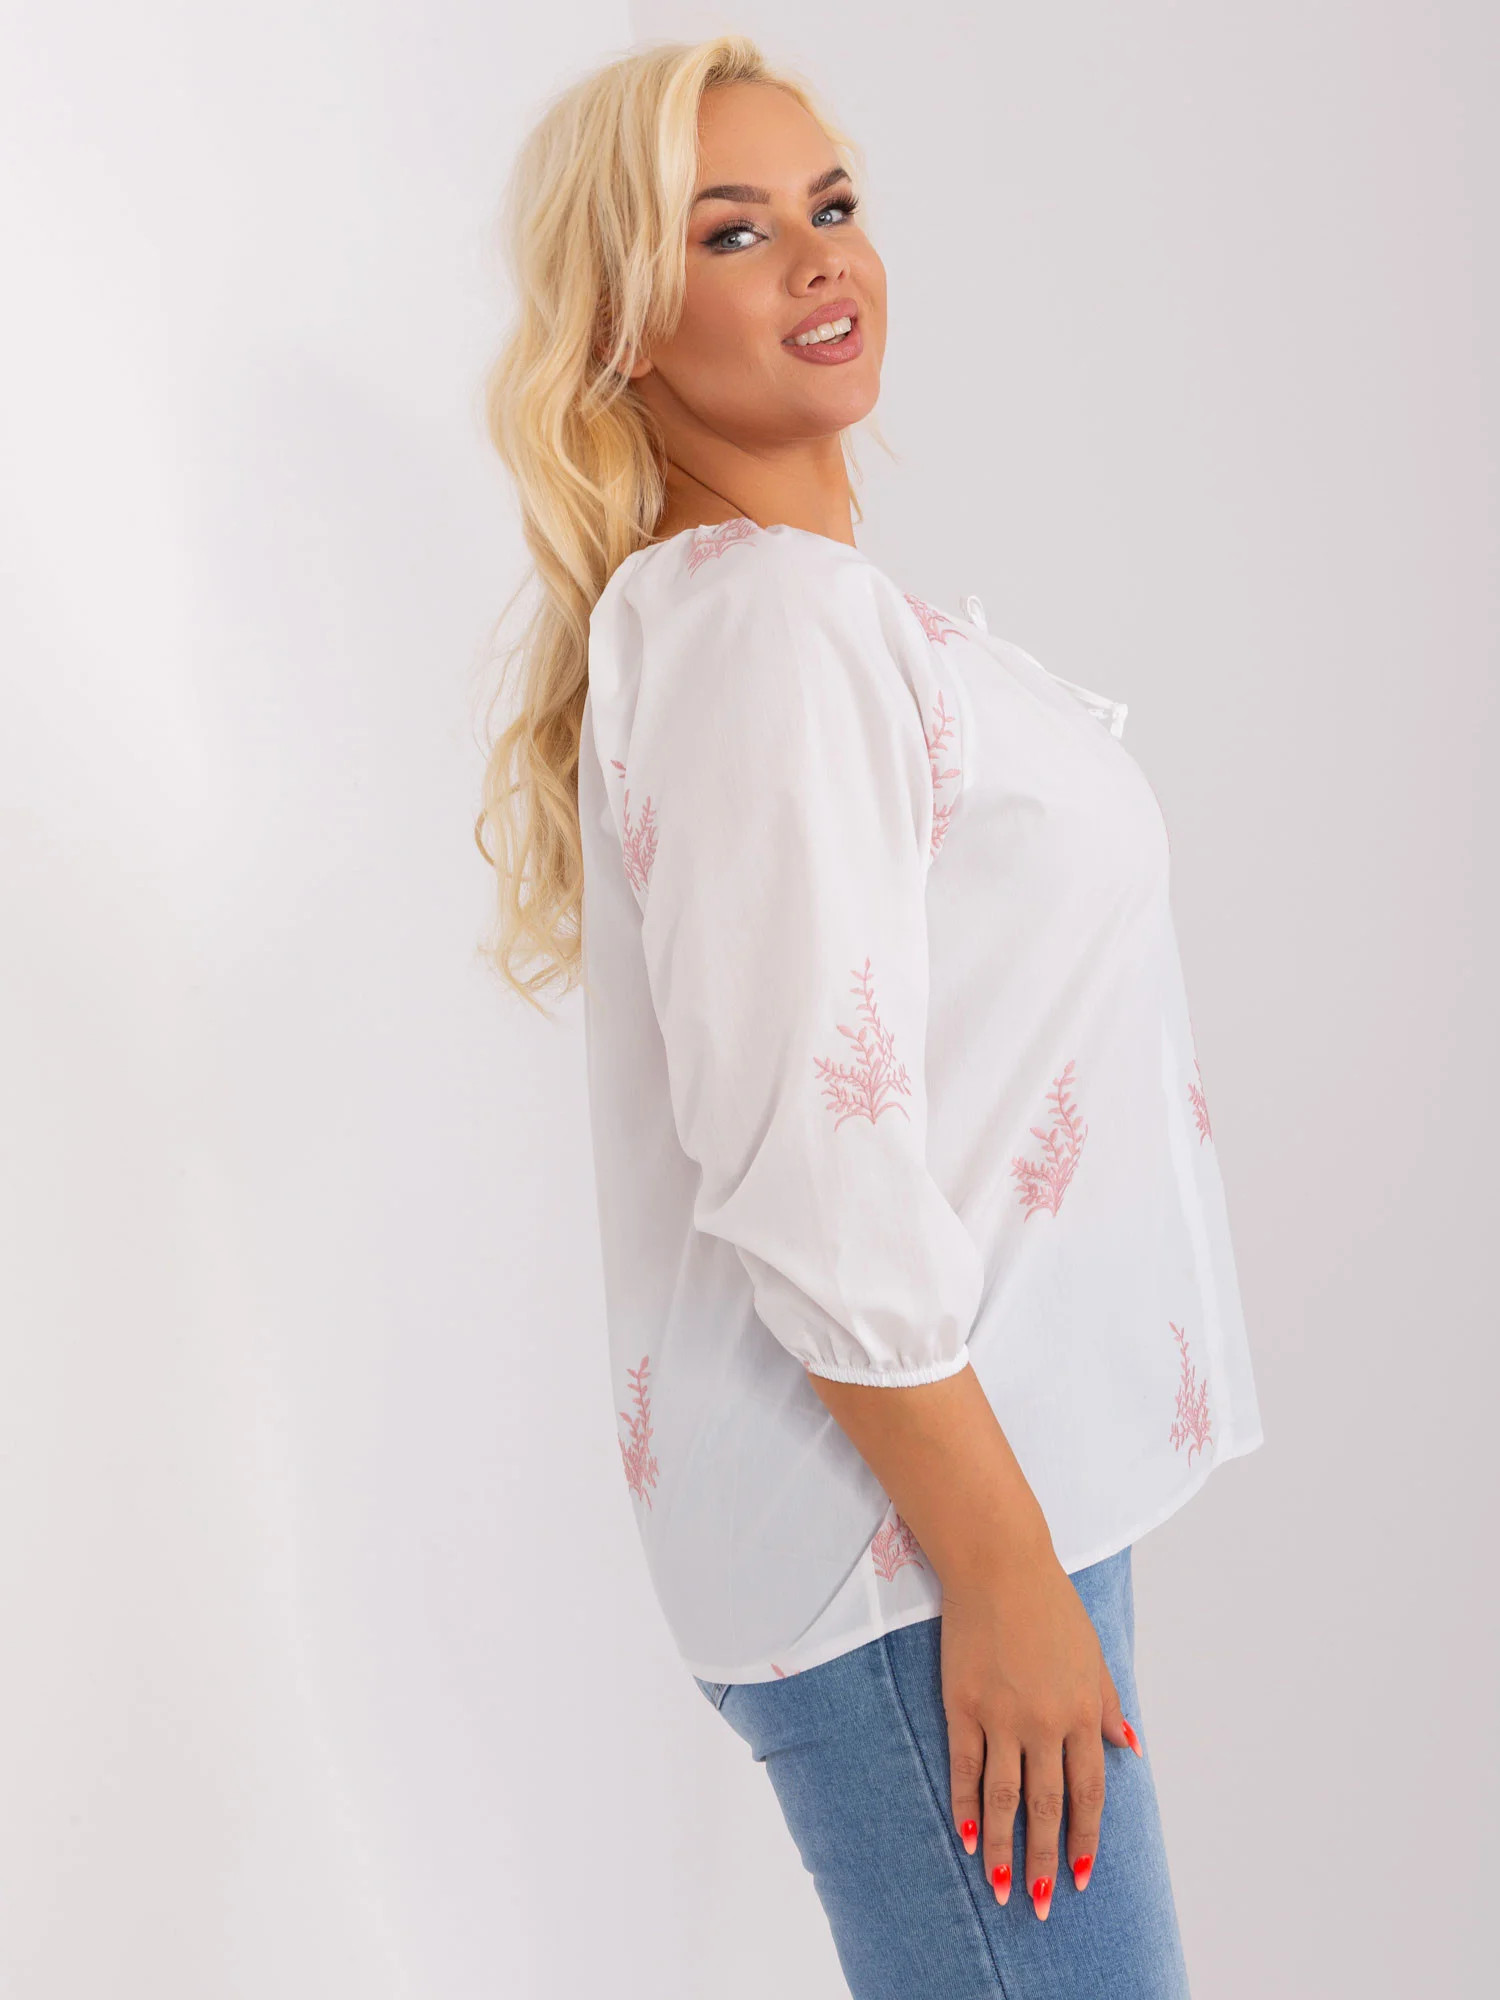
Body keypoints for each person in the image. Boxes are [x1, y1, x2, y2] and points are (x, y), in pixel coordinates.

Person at [477, 33, 1264, 1999]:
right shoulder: (767, 626)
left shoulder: (793, 614)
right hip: (913, 1540)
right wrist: (995, 1572)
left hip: (948, 1510)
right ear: (623, 323)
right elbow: (809, 1168)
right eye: (733, 231)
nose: (820, 255)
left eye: (831, 204)